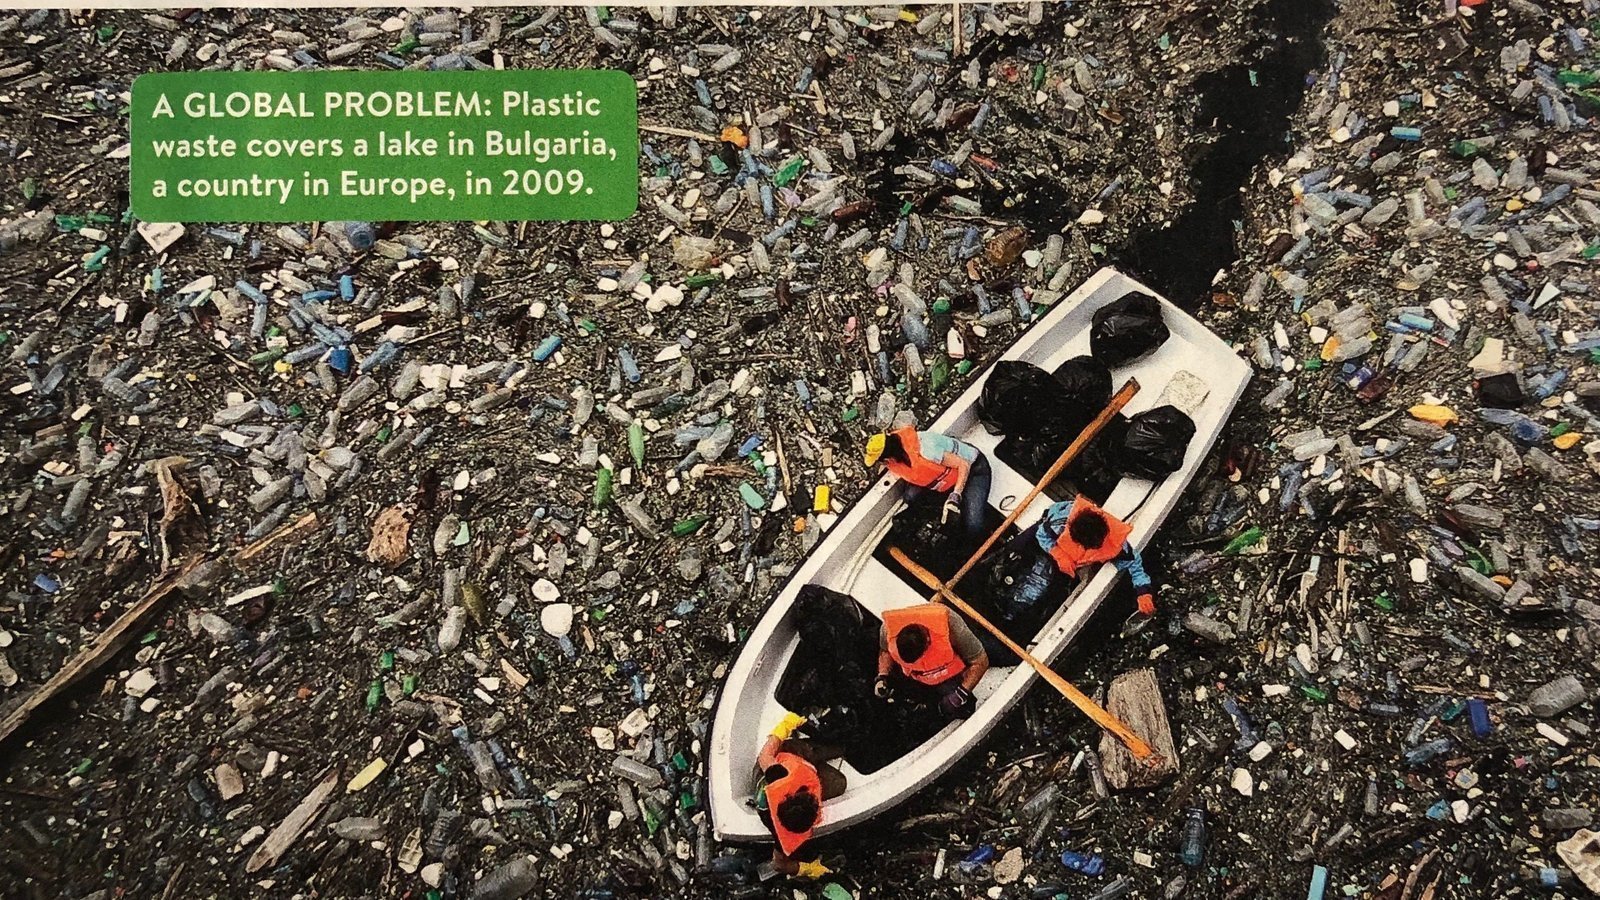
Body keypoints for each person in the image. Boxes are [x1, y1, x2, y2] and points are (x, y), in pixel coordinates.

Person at [1006, 495, 1156, 617]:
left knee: (1049, 597)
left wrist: (1143, 592)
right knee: (1011, 552)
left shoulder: (1117, 544)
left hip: (1068, 566)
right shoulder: (1059, 522)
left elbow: (1134, 564)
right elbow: (1042, 534)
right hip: (1050, 544)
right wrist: (1058, 554)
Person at [754, 711, 845, 879]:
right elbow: (779, 864)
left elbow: (764, 756)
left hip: (789, 758)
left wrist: (785, 726)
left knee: (839, 747)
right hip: (793, 773)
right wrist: (808, 869)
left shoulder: (779, 777)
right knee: (839, 783)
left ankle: (808, 737)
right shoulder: (780, 836)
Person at [864, 427, 992, 540]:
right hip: (947, 479)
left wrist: (956, 495)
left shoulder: (927, 450)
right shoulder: (896, 450)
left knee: (974, 526)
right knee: (910, 496)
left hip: (973, 469)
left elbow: (963, 464)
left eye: (880, 461)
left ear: (888, 458)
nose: (882, 464)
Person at [875, 602, 990, 720]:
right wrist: (882, 676)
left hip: (947, 673)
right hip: (915, 677)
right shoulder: (888, 630)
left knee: (963, 708)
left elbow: (981, 661)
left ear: (927, 640)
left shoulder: (950, 624)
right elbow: (885, 651)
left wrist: (959, 695)